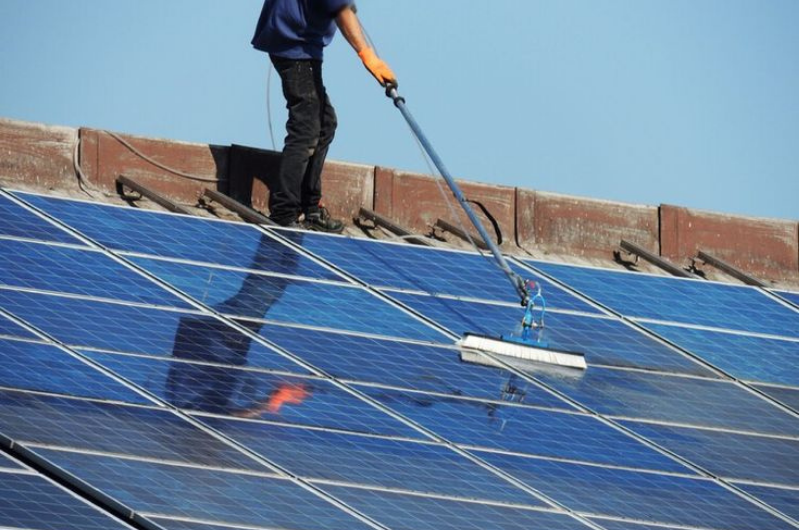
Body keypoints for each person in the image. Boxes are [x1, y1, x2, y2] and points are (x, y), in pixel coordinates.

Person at [252, 1, 397, 231]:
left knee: (325, 124)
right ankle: (284, 212)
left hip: (302, 44)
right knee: (307, 128)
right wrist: (368, 55)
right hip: (294, 43)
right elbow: (340, 10)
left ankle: (310, 206)